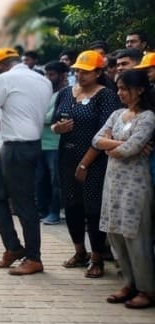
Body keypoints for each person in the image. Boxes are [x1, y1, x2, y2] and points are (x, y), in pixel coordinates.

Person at [52, 50, 120, 278]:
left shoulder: (106, 96)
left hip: (94, 160)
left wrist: (84, 164)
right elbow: (54, 121)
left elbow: (104, 132)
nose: (80, 75)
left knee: (93, 209)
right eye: (78, 71)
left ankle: (97, 256)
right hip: (66, 157)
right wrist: (57, 128)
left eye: (86, 72)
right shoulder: (65, 93)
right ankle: (79, 251)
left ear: (99, 72)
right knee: (71, 205)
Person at [0, 47, 53, 276]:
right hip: (27, 145)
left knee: (24, 204)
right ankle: (13, 248)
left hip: (17, 147)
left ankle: (34, 258)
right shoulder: (43, 80)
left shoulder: (5, 78)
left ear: (1, 65)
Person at [94, 69, 155, 309]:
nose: (120, 93)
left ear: (140, 89)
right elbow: (97, 140)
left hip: (135, 185)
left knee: (136, 237)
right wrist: (118, 144)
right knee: (116, 234)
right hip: (113, 184)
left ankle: (147, 288)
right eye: (118, 88)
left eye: (124, 88)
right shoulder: (118, 114)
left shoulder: (148, 117)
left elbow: (129, 150)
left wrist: (114, 146)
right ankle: (129, 283)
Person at [38, 61, 69, 225]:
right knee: (41, 180)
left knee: (55, 181)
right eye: (46, 74)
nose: (47, 78)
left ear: (63, 76)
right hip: (40, 143)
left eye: (51, 74)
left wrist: (35, 118)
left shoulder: (65, 94)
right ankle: (42, 210)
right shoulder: (45, 93)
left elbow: (52, 117)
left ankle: (54, 212)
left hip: (55, 145)